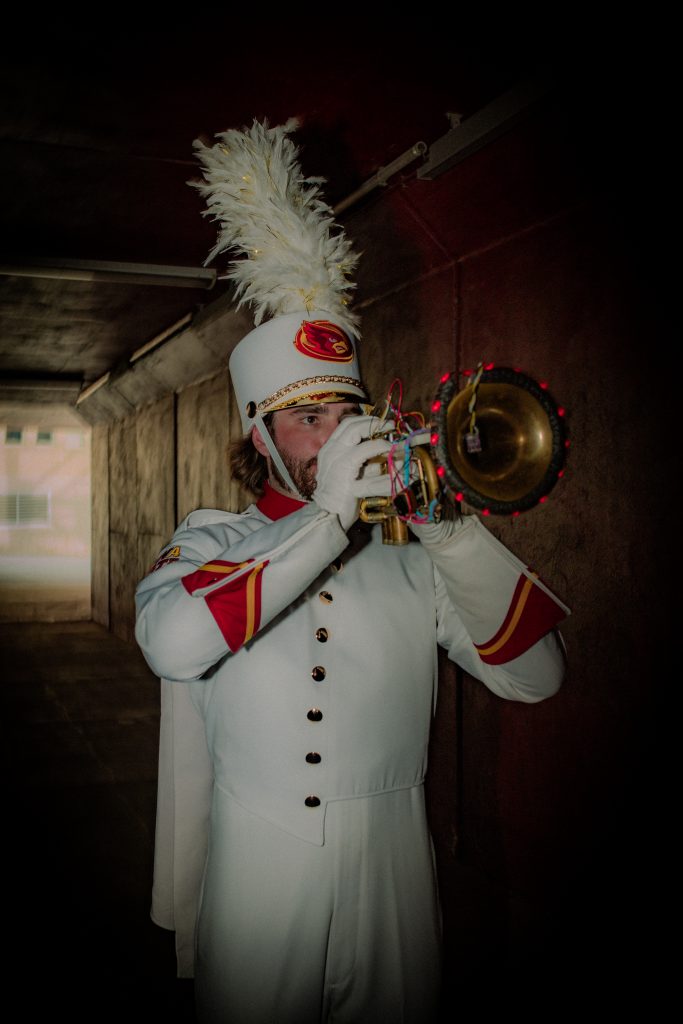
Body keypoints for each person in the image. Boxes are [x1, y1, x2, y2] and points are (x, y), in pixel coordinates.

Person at [134, 120, 569, 1023]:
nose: (333, 435)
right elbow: (172, 644)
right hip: (258, 867)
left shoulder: (411, 552)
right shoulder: (215, 540)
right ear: (260, 436)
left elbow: (536, 677)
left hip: (395, 875)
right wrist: (331, 517)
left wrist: (449, 529)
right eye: (305, 420)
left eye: (345, 412)